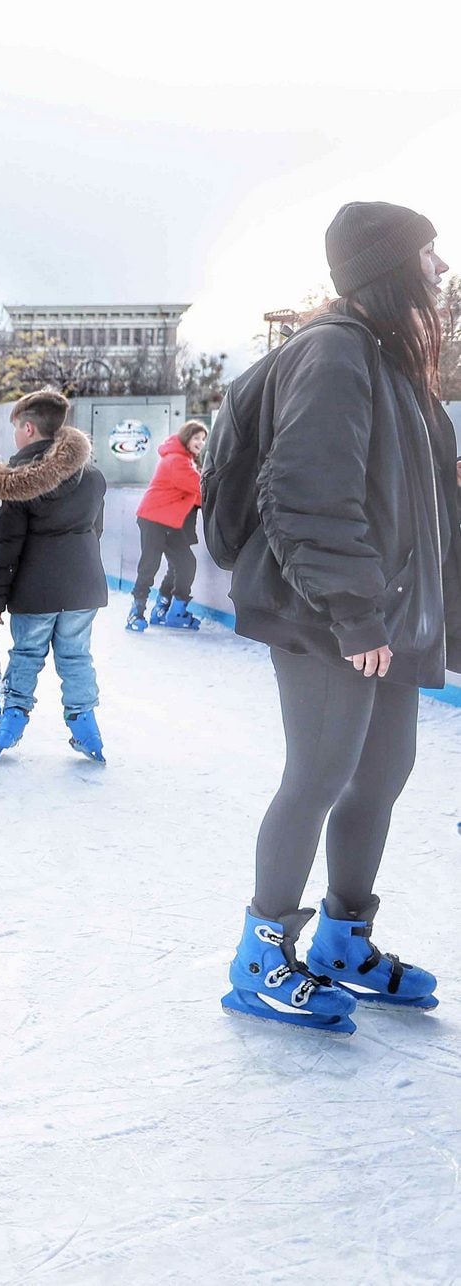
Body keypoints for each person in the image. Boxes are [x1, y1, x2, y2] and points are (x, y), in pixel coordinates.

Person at [221, 202, 460, 1033]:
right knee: (318, 777)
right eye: (428, 254)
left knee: (381, 778)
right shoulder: (333, 352)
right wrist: (355, 612)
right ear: (387, 265)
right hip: (329, 613)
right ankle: (261, 954)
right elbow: (306, 494)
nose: (441, 269)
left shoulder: (394, 364)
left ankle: (342, 943)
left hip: (390, 619)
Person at [0, 389, 110, 761]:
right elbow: (95, 531)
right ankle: (86, 727)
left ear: (28, 427)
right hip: (83, 586)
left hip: (34, 590)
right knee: (75, 657)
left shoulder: (17, 482)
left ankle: (12, 722)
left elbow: (5, 546)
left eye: (15, 430)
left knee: (26, 654)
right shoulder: (93, 476)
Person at [128, 421, 208, 632]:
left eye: (203, 439)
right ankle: (135, 613)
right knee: (149, 565)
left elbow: (197, 496)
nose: (200, 442)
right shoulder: (177, 460)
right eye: (196, 438)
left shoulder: (186, 461)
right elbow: (200, 489)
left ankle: (166, 611)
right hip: (153, 519)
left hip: (171, 523)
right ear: (186, 437)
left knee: (184, 564)